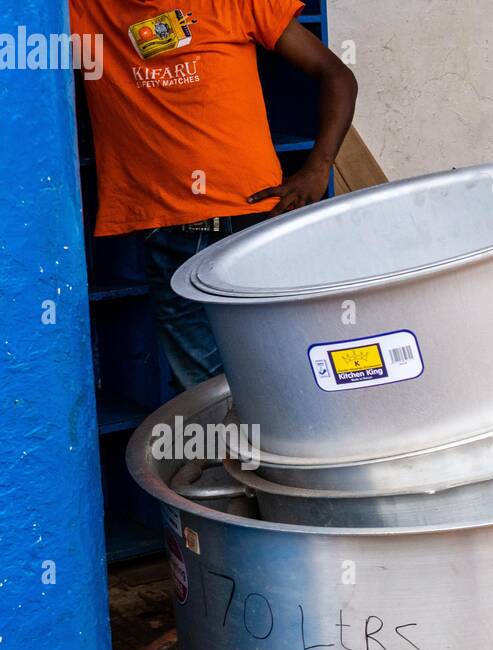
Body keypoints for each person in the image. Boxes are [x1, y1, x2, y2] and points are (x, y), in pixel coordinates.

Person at [69, 3, 357, 387]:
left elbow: (337, 74)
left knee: (292, 368)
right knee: (207, 392)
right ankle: (231, 448)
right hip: (171, 231)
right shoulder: (88, 10)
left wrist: (318, 167)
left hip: (257, 219)